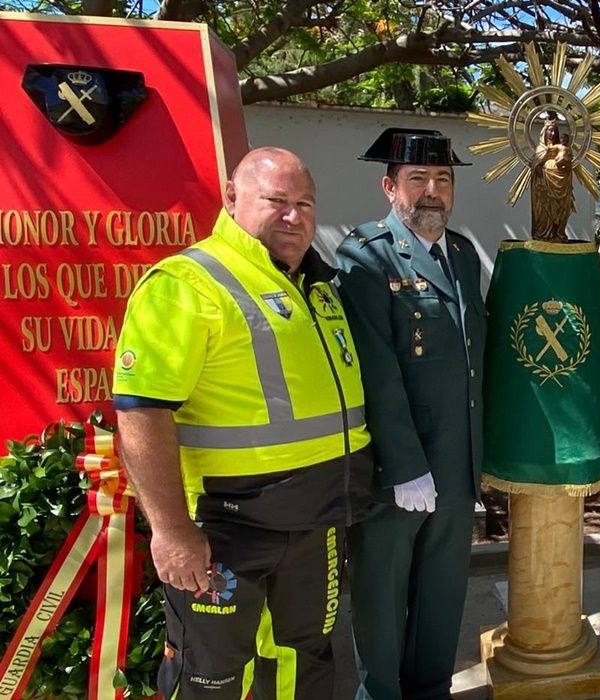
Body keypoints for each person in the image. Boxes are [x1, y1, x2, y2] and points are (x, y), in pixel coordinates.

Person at [113, 147, 373, 699]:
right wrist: (171, 530)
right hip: (225, 531)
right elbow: (141, 413)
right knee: (213, 676)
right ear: (231, 198)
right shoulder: (187, 285)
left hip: (318, 520)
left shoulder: (317, 285)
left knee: (306, 664)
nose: (294, 216)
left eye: (305, 203)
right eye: (276, 201)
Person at [335, 128, 486, 700]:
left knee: (443, 595)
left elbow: (473, 367)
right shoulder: (366, 257)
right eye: (417, 179)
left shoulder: (464, 255)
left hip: (453, 462)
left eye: (442, 180)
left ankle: (430, 690)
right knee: (382, 596)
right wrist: (402, 465)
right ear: (389, 187)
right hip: (395, 470)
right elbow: (374, 370)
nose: (431, 192)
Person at [530, 115, 575, 241]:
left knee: (561, 211)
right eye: (550, 130)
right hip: (544, 186)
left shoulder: (563, 148)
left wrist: (566, 164)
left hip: (561, 185)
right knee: (544, 214)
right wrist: (541, 171)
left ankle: (558, 233)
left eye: (555, 130)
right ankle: (544, 234)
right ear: (544, 132)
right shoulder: (540, 148)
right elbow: (535, 166)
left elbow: (568, 165)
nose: (553, 133)